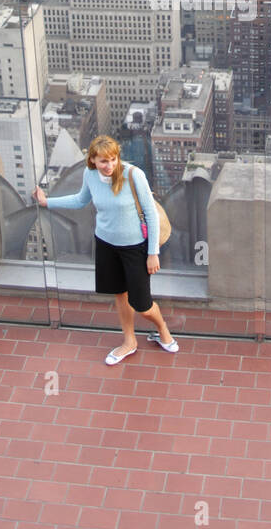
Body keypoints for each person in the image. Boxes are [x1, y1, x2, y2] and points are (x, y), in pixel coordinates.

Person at [33, 136, 177, 365]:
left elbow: (150, 213)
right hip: (106, 245)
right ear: (92, 160)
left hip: (135, 247)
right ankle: (129, 341)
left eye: (112, 159)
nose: (109, 165)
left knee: (142, 304)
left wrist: (152, 253)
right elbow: (80, 200)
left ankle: (162, 328)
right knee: (120, 294)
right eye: (103, 161)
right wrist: (47, 202)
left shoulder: (133, 175)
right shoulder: (90, 176)